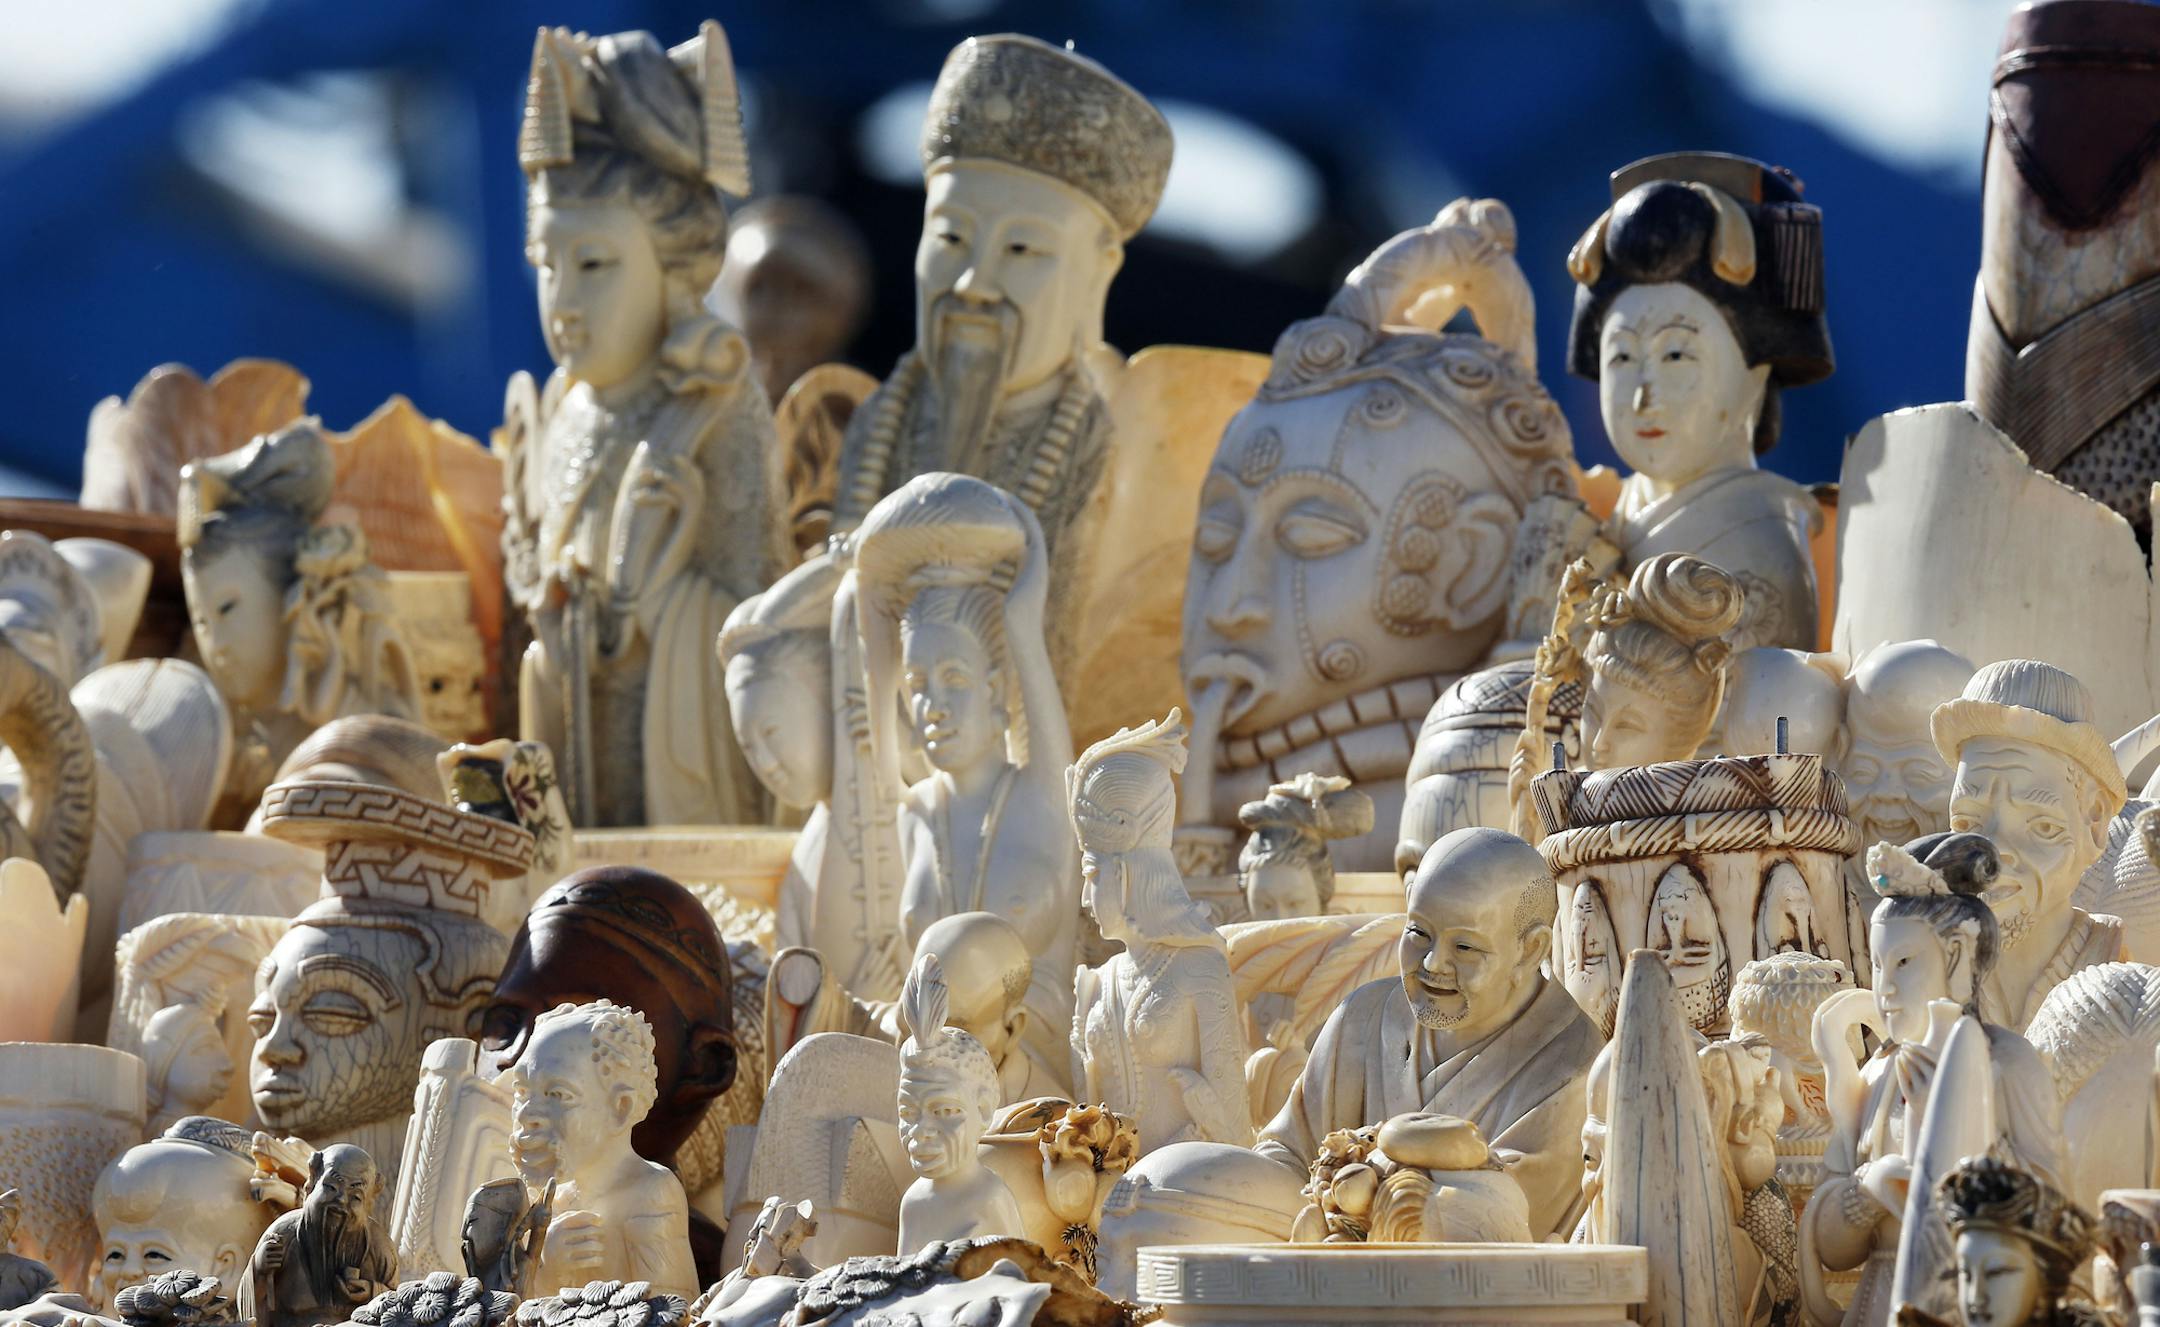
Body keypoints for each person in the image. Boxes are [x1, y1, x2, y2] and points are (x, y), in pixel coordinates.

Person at [502, 21, 788, 827]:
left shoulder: (712, 402)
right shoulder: (561, 409)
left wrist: (655, 607)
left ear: (677, 269)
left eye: (593, 265)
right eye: (546, 265)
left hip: (683, 781)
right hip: (580, 759)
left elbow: (750, 612)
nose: (562, 300)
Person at [1254, 826, 1601, 1239]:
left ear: (1529, 949)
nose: (1434, 964)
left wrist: (1353, 1186)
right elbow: (1286, 1152)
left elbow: (1491, 1218)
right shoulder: (1361, 1017)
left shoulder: (1572, 1067)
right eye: (1418, 933)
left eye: (1466, 948)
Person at [1566, 151, 1833, 651]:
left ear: (1757, 373)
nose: (1644, 398)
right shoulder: (1602, 520)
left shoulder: (1759, 537)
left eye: (1675, 355)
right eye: (1621, 358)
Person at [1798, 833, 2067, 1327]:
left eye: (1904, 962)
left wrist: (1946, 1124)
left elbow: (2047, 1218)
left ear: (1956, 956)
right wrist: (1866, 1194)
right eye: (1878, 965)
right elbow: (1832, 1253)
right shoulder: (1877, 1073)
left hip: (1971, 1302)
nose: (1886, 988)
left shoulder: (2007, 1064)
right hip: (1878, 1300)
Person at [1073, 710, 1253, 1155]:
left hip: (1191, 1184)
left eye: (1092, 874)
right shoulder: (1098, 981)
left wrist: (1204, 1113)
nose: (1082, 897)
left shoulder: (1201, 968)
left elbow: (1234, 1130)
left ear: (1129, 874)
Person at [1933, 660, 2127, 1029]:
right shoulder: (1929, 968)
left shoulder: (2113, 974)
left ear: (2095, 824)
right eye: (1968, 822)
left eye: (2040, 826)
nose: (1990, 851)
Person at [507, 1000, 697, 1300]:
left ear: (621, 1107)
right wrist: (545, 1270)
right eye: (521, 1092)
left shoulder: (651, 1193)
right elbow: (513, 1311)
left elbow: (673, 1308)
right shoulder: (541, 1201)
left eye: (557, 1094)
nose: (526, 1114)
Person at [247, 1145, 395, 1327]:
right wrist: (259, 1270)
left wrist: (374, 1292)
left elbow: (402, 1306)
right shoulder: (283, 1234)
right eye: (331, 1187)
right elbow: (251, 1312)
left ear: (368, 1204)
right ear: (312, 1183)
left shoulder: (378, 1246)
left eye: (356, 1197)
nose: (341, 1199)